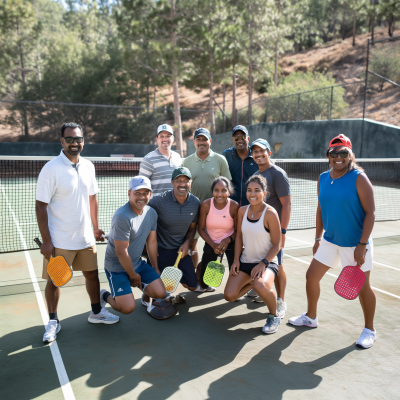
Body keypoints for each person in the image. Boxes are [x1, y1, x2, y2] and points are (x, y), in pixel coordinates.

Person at [289, 134, 377, 349]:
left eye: (343, 153)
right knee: (311, 277)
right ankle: (311, 317)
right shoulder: (322, 178)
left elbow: (371, 213)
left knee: (363, 288)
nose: (338, 157)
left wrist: (362, 245)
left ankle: (369, 330)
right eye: (334, 153)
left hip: (355, 243)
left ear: (350, 155)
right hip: (330, 240)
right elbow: (320, 208)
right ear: (328, 155)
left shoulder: (359, 178)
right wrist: (318, 238)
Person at [36, 122, 119, 343]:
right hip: (59, 239)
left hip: (85, 238)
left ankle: (96, 311)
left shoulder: (89, 166)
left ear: (84, 141)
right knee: (55, 281)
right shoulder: (51, 169)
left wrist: (96, 227)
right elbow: (40, 206)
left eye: (78, 139)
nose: (75, 143)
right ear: (62, 141)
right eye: (70, 139)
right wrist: (46, 240)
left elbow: (92, 198)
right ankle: (53, 321)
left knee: (92, 275)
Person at [100, 176, 176, 320]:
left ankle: (144, 291)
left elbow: (152, 243)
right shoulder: (122, 216)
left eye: (145, 193)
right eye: (137, 193)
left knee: (160, 293)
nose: (142, 197)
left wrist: (155, 267)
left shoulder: (151, 213)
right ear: (129, 193)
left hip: (137, 263)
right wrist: (133, 275)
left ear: (150, 195)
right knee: (126, 308)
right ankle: (104, 295)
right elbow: (121, 251)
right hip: (116, 267)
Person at [224, 175, 281, 334]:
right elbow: (239, 237)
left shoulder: (270, 213)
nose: (252, 194)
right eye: (249, 190)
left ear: (264, 192)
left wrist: (263, 263)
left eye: (257, 190)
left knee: (260, 285)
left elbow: (278, 244)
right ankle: (255, 281)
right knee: (230, 296)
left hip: (267, 263)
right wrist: (236, 260)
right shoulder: (242, 211)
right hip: (245, 262)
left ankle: (274, 315)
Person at [246, 139, 291, 319]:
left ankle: (280, 300)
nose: (258, 154)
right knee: (261, 260)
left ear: (269, 153)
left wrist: (283, 231)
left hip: (275, 231)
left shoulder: (278, 174)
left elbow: (286, 204)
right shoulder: (257, 174)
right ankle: (260, 286)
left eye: (262, 151)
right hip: (259, 230)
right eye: (255, 152)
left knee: (278, 265)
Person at [146, 167, 202, 302]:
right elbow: (144, 222)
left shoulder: (195, 203)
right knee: (156, 291)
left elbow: (192, 228)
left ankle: (168, 290)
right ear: (172, 182)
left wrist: (187, 243)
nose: (182, 184)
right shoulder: (158, 201)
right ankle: (147, 295)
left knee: (193, 286)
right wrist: (146, 249)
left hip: (179, 252)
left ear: (191, 183)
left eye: (186, 180)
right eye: (178, 180)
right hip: (160, 251)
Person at [182, 127, 232, 269]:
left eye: (205, 139)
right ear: (194, 142)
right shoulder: (187, 162)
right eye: (199, 139)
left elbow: (227, 184)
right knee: (192, 242)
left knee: (216, 244)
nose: (201, 142)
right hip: (193, 210)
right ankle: (193, 275)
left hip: (214, 211)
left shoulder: (220, 160)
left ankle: (209, 276)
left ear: (210, 141)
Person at [197, 177, 239, 291]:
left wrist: (228, 240)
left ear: (229, 192)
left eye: (224, 190)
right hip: (212, 242)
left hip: (230, 242)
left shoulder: (234, 206)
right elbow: (200, 229)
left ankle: (236, 287)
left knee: (235, 271)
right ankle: (201, 271)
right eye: (216, 190)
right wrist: (213, 245)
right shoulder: (206, 205)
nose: (219, 194)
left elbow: (238, 231)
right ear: (212, 192)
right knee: (203, 284)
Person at [139, 124, 182, 196]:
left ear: (173, 138)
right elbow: (141, 185)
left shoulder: (177, 157)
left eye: (168, 136)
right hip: (155, 206)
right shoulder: (148, 159)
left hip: (175, 205)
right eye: (161, 136)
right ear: (157, 139)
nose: (165, 139)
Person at [222, 125, 258, 206]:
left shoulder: (256, 155)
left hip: (252, 205)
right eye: (236, 138)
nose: (239, 140)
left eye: (242, 137)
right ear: (232, 140)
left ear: (248, 138)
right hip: (231, 206)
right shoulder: (226, 155)